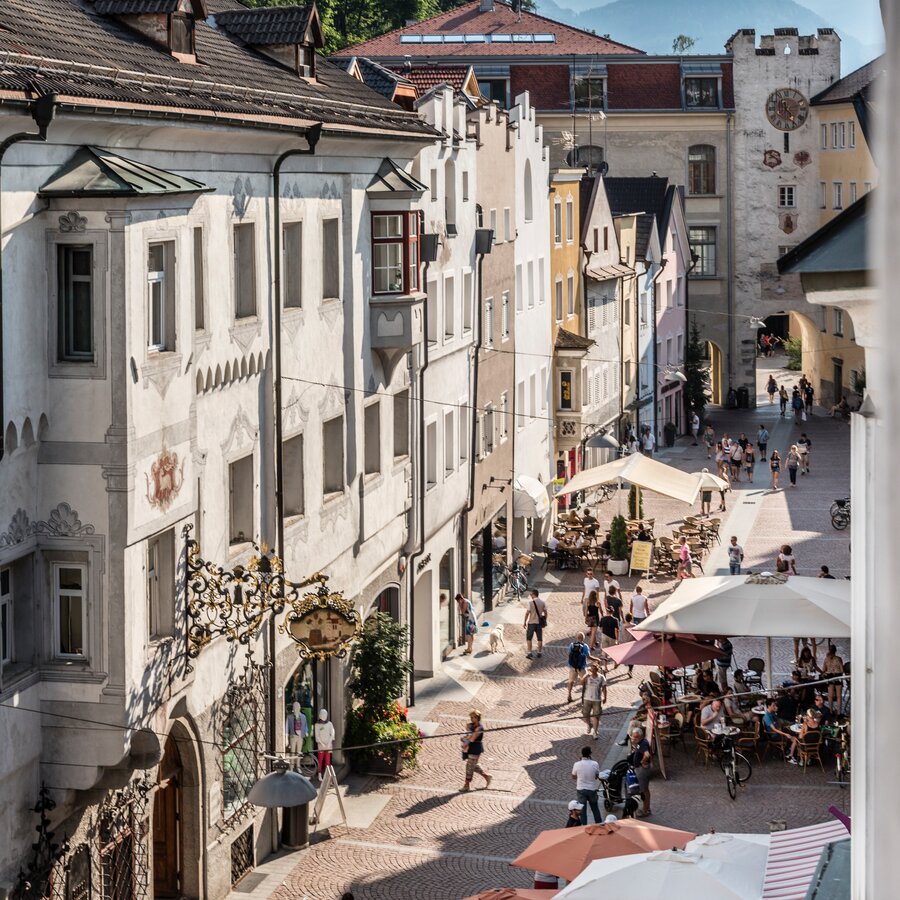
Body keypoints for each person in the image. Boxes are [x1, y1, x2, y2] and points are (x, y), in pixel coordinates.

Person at [460, 709, 492, 791]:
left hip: (475, 749)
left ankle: (466, 785)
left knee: (469, 766)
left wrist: (466, 737)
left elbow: (472, 739)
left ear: (477, 718)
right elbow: (467, 733)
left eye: (473, 717)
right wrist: (466, 735)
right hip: (470, 748)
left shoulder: (479, 728)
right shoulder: (471, 725)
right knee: (473, 766)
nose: (471, 719)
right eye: (471, 717)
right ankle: (487, 776)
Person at [571, 745, 602, 823]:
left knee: (582, 811)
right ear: (590, 754)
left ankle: (584, 826)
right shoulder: (595, 764)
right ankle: (599, 824)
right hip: (592, 789)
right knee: (595, 808)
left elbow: (573, 776)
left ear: (582, 754)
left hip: (581, 789)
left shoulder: (577, 764)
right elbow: (597, 776)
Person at [763, 698, 800, 763]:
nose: (775, 706)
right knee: (794, 739)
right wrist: (785, 734)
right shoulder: (767, 717)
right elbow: (774, 729)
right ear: (769, 706)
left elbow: (778, 722)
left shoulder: (772, 713)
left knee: (794, 734)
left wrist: (781, 728)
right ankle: (790, 757)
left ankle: (789, 750)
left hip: (779, 732)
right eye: (773, 705)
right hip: (774, 736)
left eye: (775, 705)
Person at [627, 726, 653, 818]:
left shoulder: (643, 744)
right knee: (644, 790)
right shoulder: (641, 742)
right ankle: (646, 808)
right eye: (633, 736)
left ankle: (645, 810)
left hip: (643, 771)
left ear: (641, 737)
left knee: (644, 790)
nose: (633, 739)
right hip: (640, 769)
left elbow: (647, 755)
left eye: (635, 737)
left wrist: (642, 761)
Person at [581, 662, 608, 738]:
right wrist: (585, 676)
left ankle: (595, 732)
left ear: (597, 669)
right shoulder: (587, 676)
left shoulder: (601, 677)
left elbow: (604, 688)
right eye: (592, 669)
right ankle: (589, 725)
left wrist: (605, 697)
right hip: (587, 698)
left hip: (597, 700)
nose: (593, 670)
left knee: (596, 716)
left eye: (595, 669)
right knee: (585, 714)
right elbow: (581, 682)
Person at [566, 632, 591, 703]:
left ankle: (569, 695)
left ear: (576, 637)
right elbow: (588, 656)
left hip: (572, 666)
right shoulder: (585, 646)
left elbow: (569, 654)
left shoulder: (572, 645)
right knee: (586, 681)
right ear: (583, 638)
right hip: (581, 667)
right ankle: (584, 695)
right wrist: (596, 659)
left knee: (571, 681)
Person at [523, 589, 548, 659]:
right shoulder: (543, 603)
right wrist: (544, 619)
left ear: (534, 594)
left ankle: (529, 653)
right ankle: (539, 652)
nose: (530, 596)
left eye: (531, 594)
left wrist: (525, 622)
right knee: (539, 638)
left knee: (529, 638)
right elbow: (545, 612)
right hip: (539, 623)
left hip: (531, 623)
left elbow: (527, 613)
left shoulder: (530, 603)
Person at [822, 644, 845, 713]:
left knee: (830, 695)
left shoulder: (826, 659)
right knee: (839, 696)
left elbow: (823, 670)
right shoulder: (838, 659)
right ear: (835, 651)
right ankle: (839, 712)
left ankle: (831, 711)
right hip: (838, 676)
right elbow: (842, 670)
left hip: (830, 676)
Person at [315, 708, 336, 775]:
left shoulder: (330, 724)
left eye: (325, 714)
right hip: (321, 745)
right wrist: (322, 743)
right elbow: (317, 735)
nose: (324, 715)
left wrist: (329, 742)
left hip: (328, 745)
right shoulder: (317, 725)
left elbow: (332, 733)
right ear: (320, 715)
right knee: (320, 760)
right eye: (323, 714)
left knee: (327, 761)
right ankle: (319, 773)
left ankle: (327, 775)